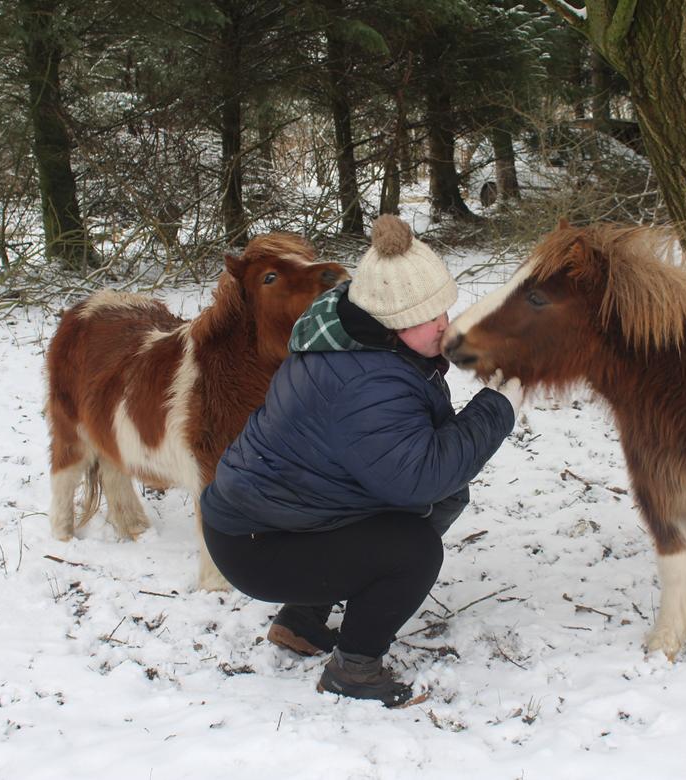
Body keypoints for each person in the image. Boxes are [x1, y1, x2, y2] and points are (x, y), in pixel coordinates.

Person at [200, 214, 522, 706]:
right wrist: (499, 404)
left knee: (439, 498)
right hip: (256, 545)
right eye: (429, 319)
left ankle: (302, 622)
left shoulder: (353, 330)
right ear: (392, 319)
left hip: (270, 520)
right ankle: (354, 669)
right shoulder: (365, 380)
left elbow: (412, 453)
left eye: (444, 311)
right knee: (413, 551)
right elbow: (419, 476)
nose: (445, 327)